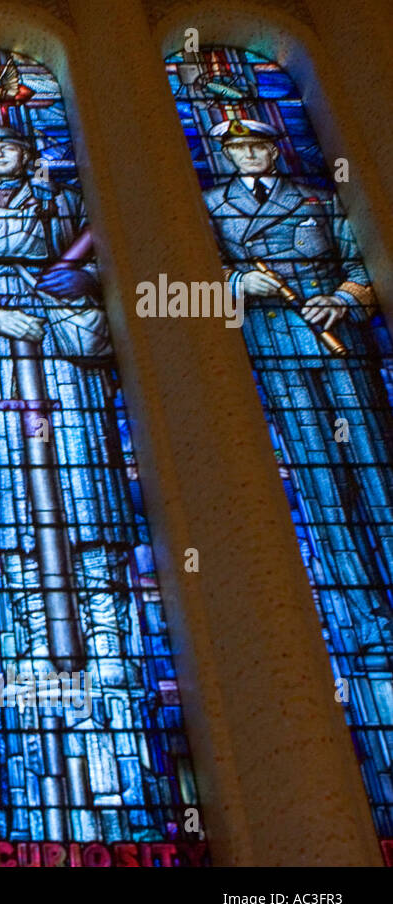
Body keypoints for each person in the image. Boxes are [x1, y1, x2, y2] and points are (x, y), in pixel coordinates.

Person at [0, 125, 149, 842]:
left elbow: (106, 269)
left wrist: (71, 289)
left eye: (11, 147)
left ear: (27, 154)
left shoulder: (61, 205)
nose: (0, 157)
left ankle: (107, 636)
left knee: (87, 499)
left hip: (66, 366)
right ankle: (29, 637)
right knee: (12, 510)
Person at [202, 117, 393, 674]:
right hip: (276, 340)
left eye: (258, 146)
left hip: (338, 341)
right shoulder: (211, 207)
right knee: (321, 478)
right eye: (239, 149)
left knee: (376, 464)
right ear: (228, 156)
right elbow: (193, 274)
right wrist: (238, 284)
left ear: (273, 149)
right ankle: (368, 621)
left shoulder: (315, 196)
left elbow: (361, 263)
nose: (250, 156)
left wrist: (344, 299)